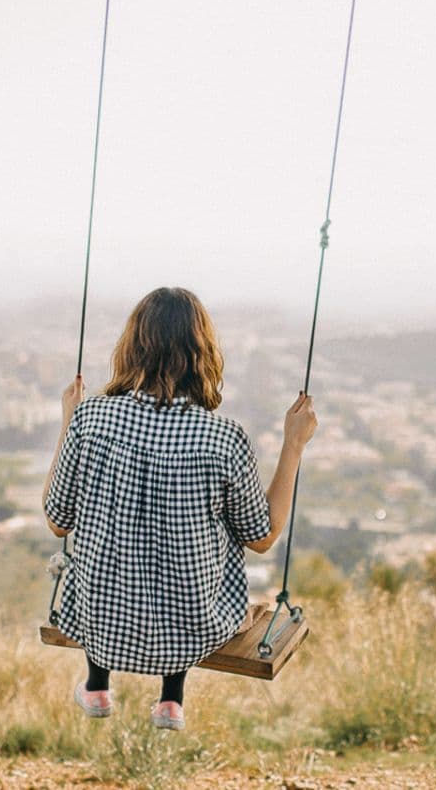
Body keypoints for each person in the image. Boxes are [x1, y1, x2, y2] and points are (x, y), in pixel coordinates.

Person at [42, 287, 318, 731]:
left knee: (124, 555)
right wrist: (294, 445)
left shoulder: (90, 418)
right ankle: (171, 702)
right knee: (199, 562)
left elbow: (57, 521)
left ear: (132, 349)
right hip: (192, 629)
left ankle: (97, 687)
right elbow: (262, 537)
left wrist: (67, 423)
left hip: (98, 620)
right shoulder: (224, 438)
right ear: (201, 354)